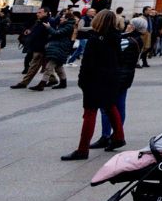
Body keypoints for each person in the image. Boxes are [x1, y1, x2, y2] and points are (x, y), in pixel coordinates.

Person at [61, 10, 125, 159]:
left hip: (95, 79)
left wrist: (82, 80)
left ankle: (83, 149)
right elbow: (119, 59)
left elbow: (87, 63)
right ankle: (119, 137)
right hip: (111, 78)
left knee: (90, 112)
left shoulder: (95, 39)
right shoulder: (116, 37)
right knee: (110, 106)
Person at [89, 16, 143, 148]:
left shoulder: (127, 40)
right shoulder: (136, 39)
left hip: (117, 76)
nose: (127, 25)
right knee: (119, 105)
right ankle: (114, 135)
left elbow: (108, 53)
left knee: (108, 107)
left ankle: (109, 135)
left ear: (133, 26)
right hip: (126, 76)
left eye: (129, 24)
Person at [12, 7, 51, 89]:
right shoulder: (39, 21)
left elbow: (48, 35)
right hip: (36, 46)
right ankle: (56, 79)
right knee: (52, 66)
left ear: (46, 13)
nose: (37, 14)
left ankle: (24, 83)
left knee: (34, 66)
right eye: (38, 12)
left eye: (40, 12)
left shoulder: (48, 22)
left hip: (40, 47)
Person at [34, 10, 74, 90]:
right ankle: (63, 83)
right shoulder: (63, 25)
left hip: (60, 48)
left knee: (49, 67)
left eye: (62, 17)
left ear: (67, 19)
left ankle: (41, 84)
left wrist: (49, 28)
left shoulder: (68, 26)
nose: (60, 18)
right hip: (58, 47)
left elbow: (57, 33)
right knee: (58, 67)